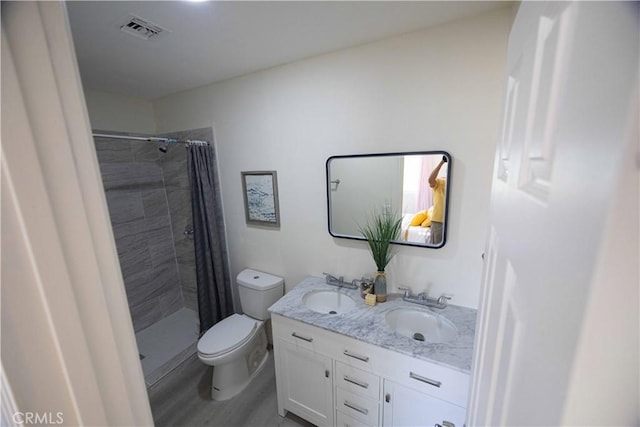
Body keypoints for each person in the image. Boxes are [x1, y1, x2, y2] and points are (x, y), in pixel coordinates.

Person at [428, 156, 447, 245]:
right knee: (436, 246)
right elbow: (430, 180)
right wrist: (442, 162)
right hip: (438, 221)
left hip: (452, 221)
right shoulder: (440, 182)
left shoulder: (457, 185)